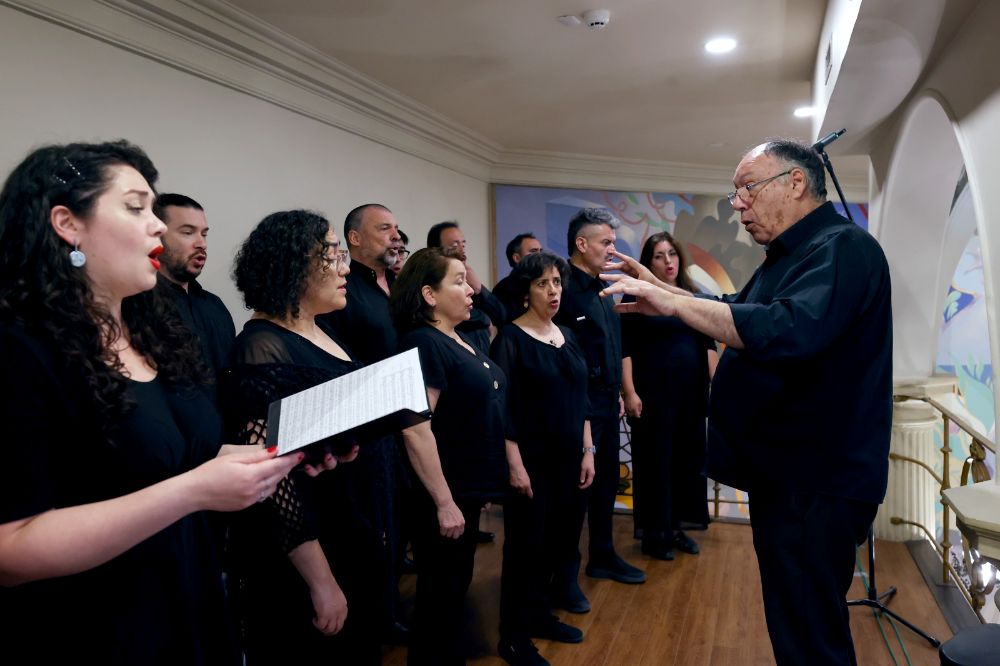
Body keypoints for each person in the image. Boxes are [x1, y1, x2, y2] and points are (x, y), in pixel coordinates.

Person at [0, 140, 302, 664]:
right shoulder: (19, 348)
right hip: (94, 629)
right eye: (136, 207)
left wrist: (263, 461)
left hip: (190, 601)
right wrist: (192, 491)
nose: (158, 224)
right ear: (68, 224)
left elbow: (180, 458)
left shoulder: (156, 329)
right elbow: (11, 548)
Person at [602, 139, 892, 665]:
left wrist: (673, 300)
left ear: (795, 183)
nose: (737, 204)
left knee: (811, 634)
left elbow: (783, 328)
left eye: (747, 190)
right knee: (794, 623)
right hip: (788, 475)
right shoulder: (790, 254)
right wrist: (672, 301)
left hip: (815, 480)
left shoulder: (843, 248)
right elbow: (739, 308)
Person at [389, 247, 509, 665]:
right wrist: (443, 501)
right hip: (444, 494)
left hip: (467, 490)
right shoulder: (423, 342)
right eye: (457, 281)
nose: (469, 288)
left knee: (454, 588)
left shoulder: (460, 337)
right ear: (429, 294)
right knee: (439, 594)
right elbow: (416, 428)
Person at [490, 251, 595, 665]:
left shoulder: (568, 334)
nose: (553, 291)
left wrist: (588, 450)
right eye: (542, 284)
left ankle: (540, 616)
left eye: (557, 283)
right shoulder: (510, 340)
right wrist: (514, 465)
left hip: (571, 459)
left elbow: (581, 399)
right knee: (525, 549)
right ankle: (513, 636)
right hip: (532, 462)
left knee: (560, 544)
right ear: (525, 291)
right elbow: (503, 410)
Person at [319, 202, 407, 643]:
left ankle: (389, 607)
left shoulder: (397, 283)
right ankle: (372, 618)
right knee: (371, 529)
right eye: (384, 229)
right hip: (365, 429)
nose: (395, 236)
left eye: (395, 228)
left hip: (407, 423)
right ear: (354, 239)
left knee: (400, 523)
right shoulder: (343, 288)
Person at [554, 208, 646, 589]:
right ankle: (565, 577)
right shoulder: (563, 291)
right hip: (579, 411)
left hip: (609, 404)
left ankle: (603, 555)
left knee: (607, 484)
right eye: (606, 242)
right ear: (581, 243)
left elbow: (618, 346)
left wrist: (626, 391)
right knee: (577, 494)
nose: (612, 249)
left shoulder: (604, 289)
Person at [620, 232, 716, 561]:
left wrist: (718, 389)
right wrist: (629, 391)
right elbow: (625, 350)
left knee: (686, 464)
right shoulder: (636, 299)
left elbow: (708, 346)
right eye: (659, 256)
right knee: (654, 466)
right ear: (648, 263)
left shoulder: (693, 297)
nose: (668, 261)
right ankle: (654, 534)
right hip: (652, 398)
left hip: (690, 397)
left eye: (672, 253)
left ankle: (676, 529)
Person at [153, 193, 236, 377]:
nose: (202, 244)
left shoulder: (215, 306)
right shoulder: (141, 306)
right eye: (188, 232)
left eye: (204, 234)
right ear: (156, 236)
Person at [427, 220, 506, 357]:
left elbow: (501, 314)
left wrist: (479, 289)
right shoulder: (432, 279)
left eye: (463, 243)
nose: (462, 249)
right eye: (455, 245)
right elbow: (458, 316)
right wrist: (485, 319)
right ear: (436, 249)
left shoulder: (468, 275)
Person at [493, 232, 544, 321]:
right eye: (533, 251)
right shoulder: (503, 289)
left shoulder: (546, 284)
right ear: (516, 258)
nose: (540, 256)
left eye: (541, 251)